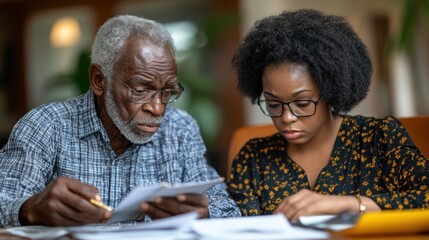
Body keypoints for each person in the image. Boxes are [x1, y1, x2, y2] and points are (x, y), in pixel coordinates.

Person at [0, 15, 240, 227]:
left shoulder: (180, 129)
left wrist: (206, 211)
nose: (157, 108)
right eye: (139, 90)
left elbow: (230, 211)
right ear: (98, 80)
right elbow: (4, 200)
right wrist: (29, 209)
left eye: (167, 92)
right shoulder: (46, 126)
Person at [227, 9, 429, 222]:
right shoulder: (254, 158)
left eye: (302, 103)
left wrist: (348, 204)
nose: (286, 117)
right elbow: (237, 226)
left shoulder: (379, 138)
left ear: (331, 91)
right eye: (273, 104)